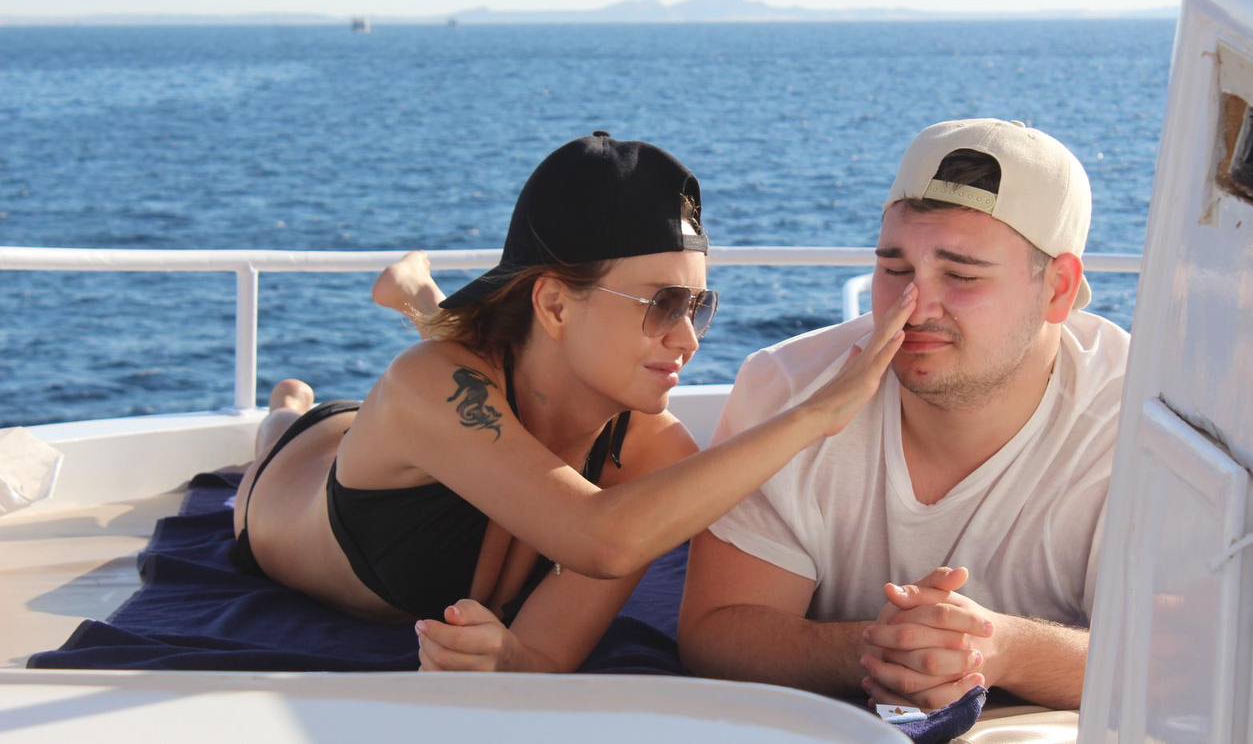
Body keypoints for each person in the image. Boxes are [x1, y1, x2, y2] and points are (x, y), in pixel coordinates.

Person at [231, 132, 917, 675]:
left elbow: (541, 655)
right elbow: (601, 538)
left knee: (498, 371)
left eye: (697, 306)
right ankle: (299, 396)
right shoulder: (428, 386)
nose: (687, 338)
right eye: (662, 304)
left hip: (486, 404)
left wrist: (503, 658)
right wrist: (817, 414)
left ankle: (423, 300)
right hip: (293, 476)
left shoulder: (651, 451)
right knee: (287, 419)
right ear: (556, 305)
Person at [678, 119, 1129, 711]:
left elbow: (1183, 664)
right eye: (894, 270)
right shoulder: (791, 390)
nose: (914, 308)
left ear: (1058, 290)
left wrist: (1003, 650)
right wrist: (884, 649)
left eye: (961, 275)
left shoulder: (1136, 417)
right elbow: (717, 633)